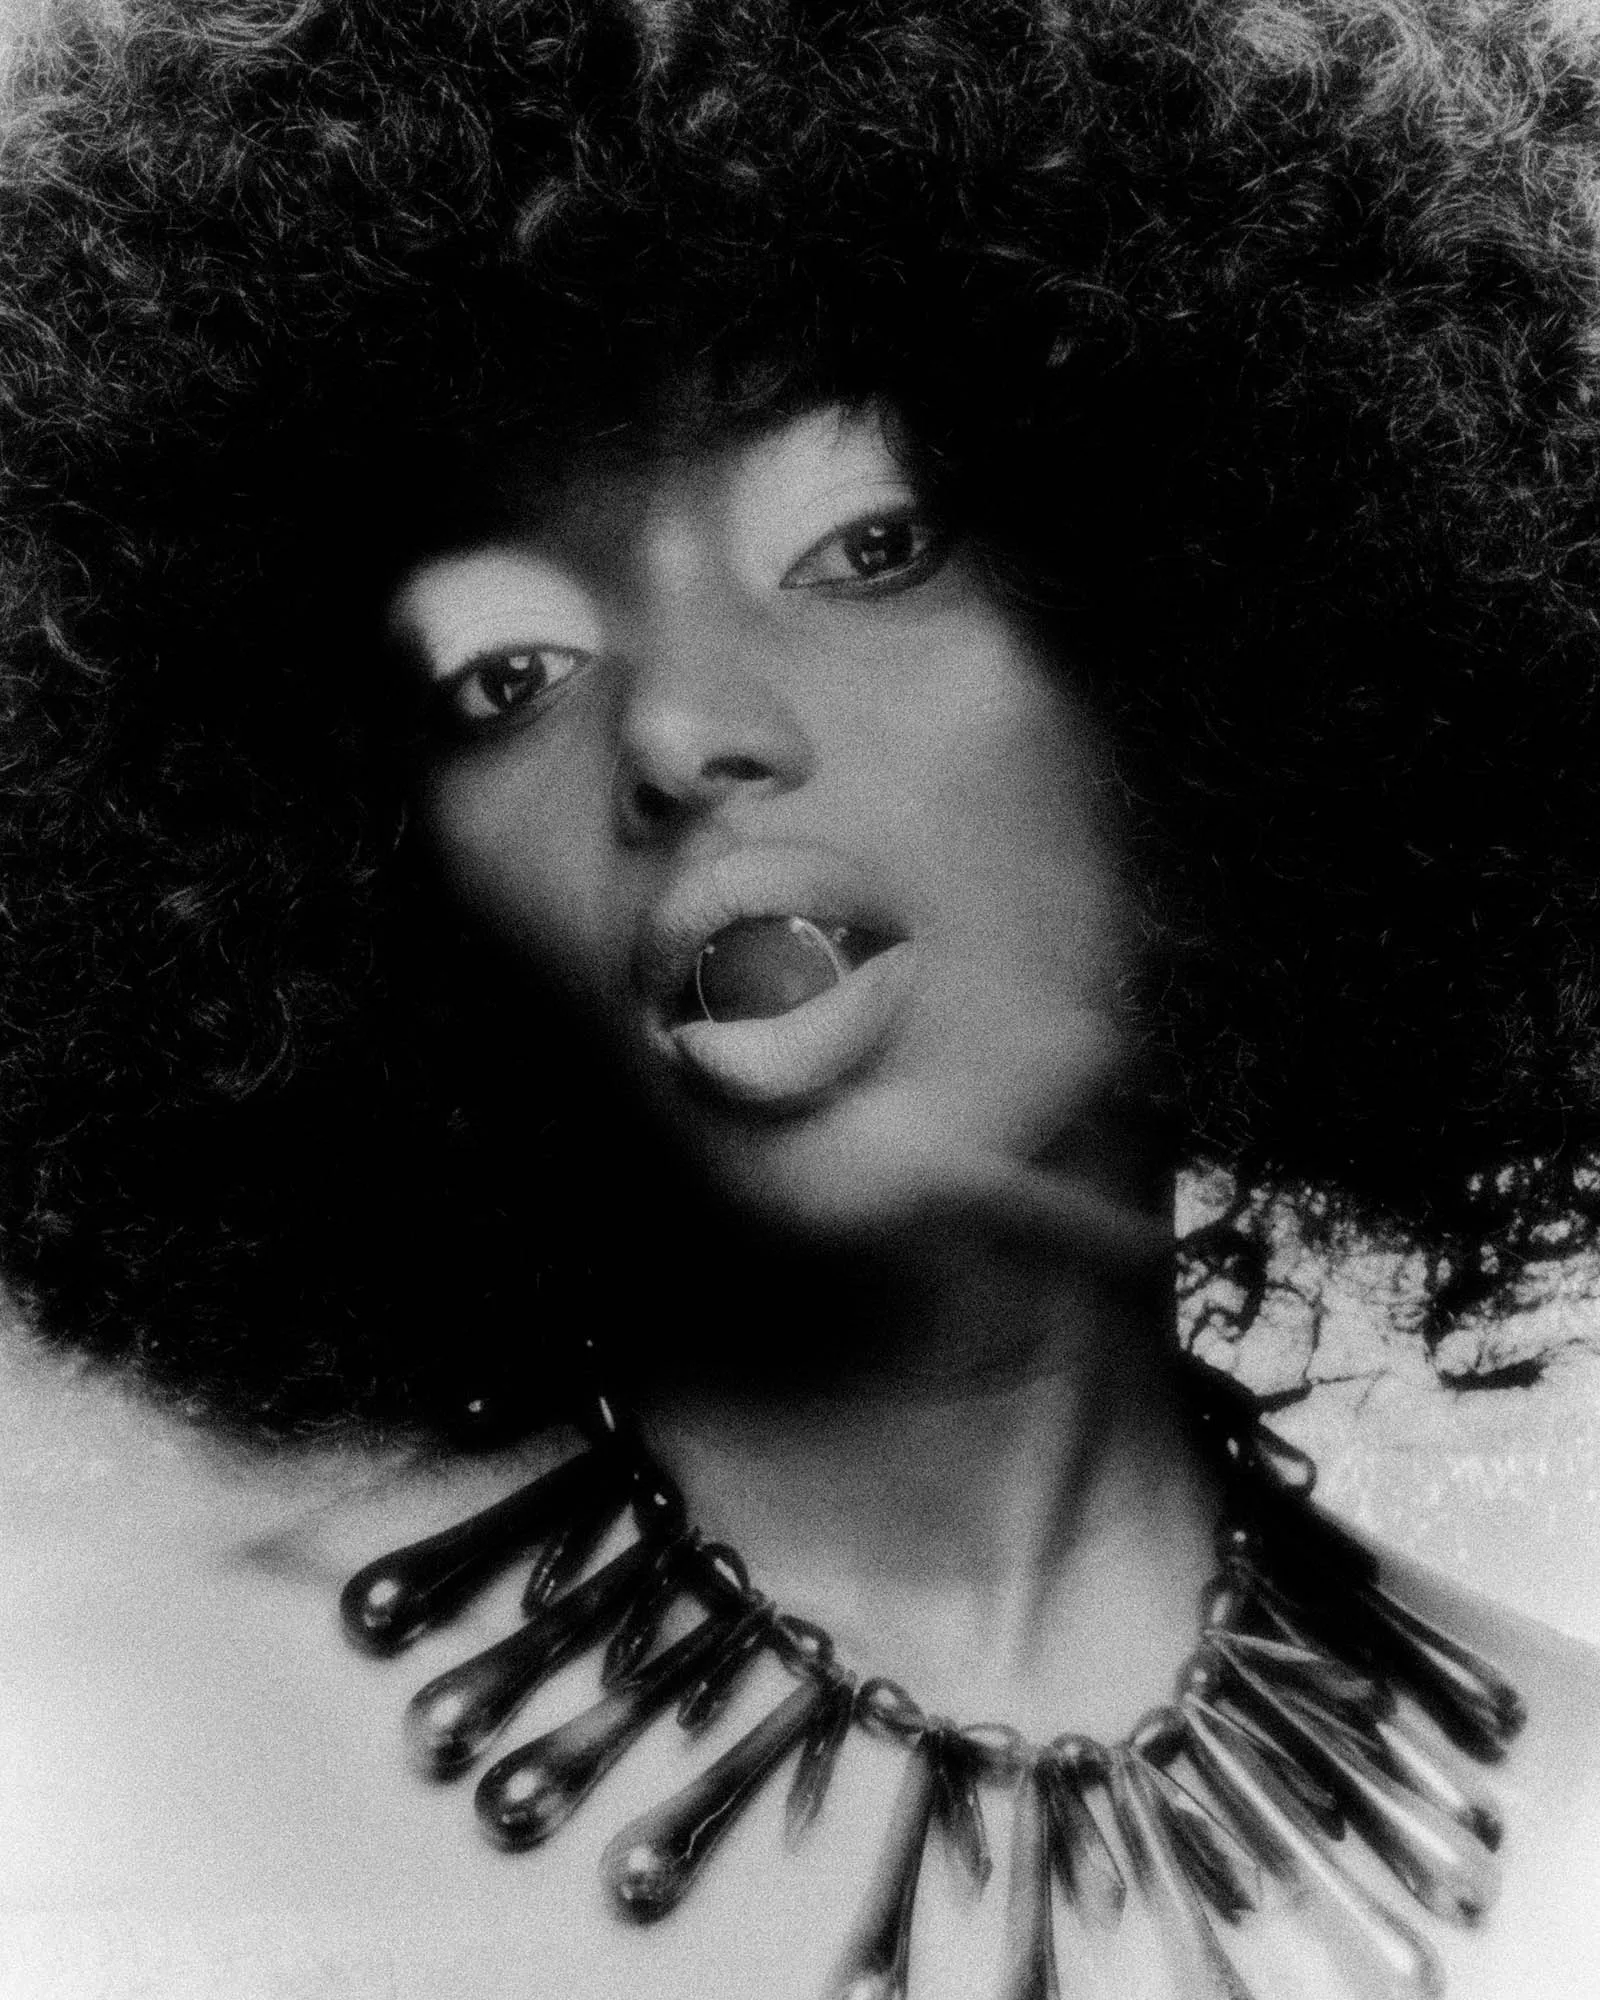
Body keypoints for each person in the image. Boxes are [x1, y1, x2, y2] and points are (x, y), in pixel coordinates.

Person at [0, 1, 1597, 1997]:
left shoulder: (1578, 1824)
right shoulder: (104, 1775)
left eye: (864, 546)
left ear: (1215, 653)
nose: (679, 731)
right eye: (506, 676)